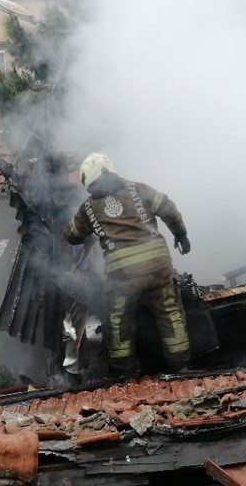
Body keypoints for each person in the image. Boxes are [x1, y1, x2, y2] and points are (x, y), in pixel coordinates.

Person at [65, 153, 192, 378]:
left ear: (87, 179)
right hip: (158, 267)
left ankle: (125, 373)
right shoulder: (138, 189)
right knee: (170, 313)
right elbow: (167, 207)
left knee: (120, 321)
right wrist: (180, 235)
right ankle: (180, 367)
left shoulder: (88, 208)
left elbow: (72, 235)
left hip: (124, 276)